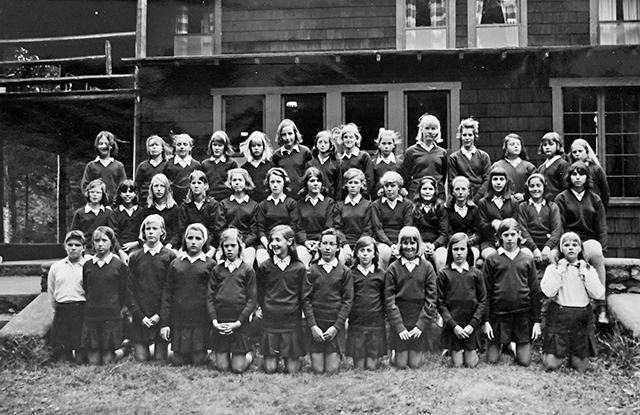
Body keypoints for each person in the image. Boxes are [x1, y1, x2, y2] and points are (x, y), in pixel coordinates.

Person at [540, 232, 605, 372]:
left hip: (581, 317)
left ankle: (574, 354)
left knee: (581, 366)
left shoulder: (587, 269)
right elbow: (548, 292)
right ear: (561, 249)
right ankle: (558, 353)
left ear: (580, 248)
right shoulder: (554, 268)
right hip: (560, 315)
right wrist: (560, 271)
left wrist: (585, 273)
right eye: (566, 245)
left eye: (574, 245)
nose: (571, 248)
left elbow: (599, 293)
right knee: (550, 364)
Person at [554, 161, 609, 324]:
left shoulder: (595, 199)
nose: (578, 178)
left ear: (587, 177)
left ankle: (602, 308)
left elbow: (601, 226)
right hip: (570, 239)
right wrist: (564, 245)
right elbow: (560, 225)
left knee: (596, 253)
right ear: (569, 177)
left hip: (587, 239)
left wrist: (602, 248)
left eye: (581, 174)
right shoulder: (562, 198)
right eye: (574, 174)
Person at [483, 218, 541, 367]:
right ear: (499, 236)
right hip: (499, 314)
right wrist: (487, 321)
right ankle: (503, 343)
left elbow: (535, 291)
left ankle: (513, 344)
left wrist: (536, 321)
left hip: (522, 314)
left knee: (524, 361)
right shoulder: (492, 259)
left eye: (513, 234)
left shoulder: (527, 259)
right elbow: (486, 292)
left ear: (519, 235)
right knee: (491, 360)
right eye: (505, 235)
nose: (509, 238)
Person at [160, 223, 216, 366]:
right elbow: (167, 293)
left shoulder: (210, 265)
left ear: (204, 241)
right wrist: (165, 323)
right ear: (185, 240)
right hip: (180, 318)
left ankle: (206, 351)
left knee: (198, 361)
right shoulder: (176, 263)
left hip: (200, 319)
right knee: (178, 361)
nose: (193, 241)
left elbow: (213, 294)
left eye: (198, 238)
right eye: (190, 238)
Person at [256, 225, 307, 374]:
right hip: (271, 320)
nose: (273, 243)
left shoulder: (299, 268)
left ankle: (294, 358)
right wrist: (261, 307)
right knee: (270, 369)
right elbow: (260, 291)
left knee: (291, 370)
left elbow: (302, 294)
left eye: (278, 240)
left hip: (291, 321)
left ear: (290, 242)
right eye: (271, 240)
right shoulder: (265, 266)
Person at [384, 226, 437, 369]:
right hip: (401, 317)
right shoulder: (393, 268)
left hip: (418, 318)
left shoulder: (427, 267)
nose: (409, 247)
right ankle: (396, 353)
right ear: (400, 245)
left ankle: (417, 352)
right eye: (405, 243)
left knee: (414, 364)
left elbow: (432, 299)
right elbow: (389, 300)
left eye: (412, 243)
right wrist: (399, 327)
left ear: (418, 245)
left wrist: (420, 326)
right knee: (401, 364)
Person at [303, 228, 354, 374]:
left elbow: (348, 301)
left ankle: (337, 354)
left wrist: (336, 327)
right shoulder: (311, 270)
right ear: (318, 246)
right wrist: (313, 326)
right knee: (318, 370)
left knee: (331, 370)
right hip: (316, 325)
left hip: (334, 325)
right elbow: (306, 299)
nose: (327, 247)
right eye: (324, 243)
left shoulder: (345, 271)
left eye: (332, 244)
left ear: (338, 247)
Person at [126, 214, 176, 362]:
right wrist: (141, 316)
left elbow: (171, 290)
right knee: (142, 358)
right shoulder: (135, 257)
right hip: (141, 316)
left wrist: (160, 316)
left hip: (160, 316)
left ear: (162, 232)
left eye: (155, 228)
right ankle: (128, 346)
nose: (151, 232)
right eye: (148, 228)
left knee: (160, 359)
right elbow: (130, 289)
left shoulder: (170, 257)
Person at [207, 228, 257, 373]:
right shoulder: (217, 270)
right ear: (221, 248)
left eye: (233, 245)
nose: (229, 249)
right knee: (222, 367)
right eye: (226, 246)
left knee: (238, 368)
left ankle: (250, 353)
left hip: (239, 323)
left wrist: (238, 322)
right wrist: (215, 322)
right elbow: (210, 297)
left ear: (240, 247)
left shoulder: (247, 270)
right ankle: (223, 353)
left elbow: (252, 299)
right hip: (221, 323)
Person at [81, 226, 130, 365]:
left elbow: (122, 292)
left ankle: (124, 350)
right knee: (93, 361)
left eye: (104, 240)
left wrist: (115, 307)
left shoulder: (119, 265)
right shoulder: (88, 265)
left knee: (108, 360)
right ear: (92, 243)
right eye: (97, 240)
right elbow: (87, 287)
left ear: (111, 243)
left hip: (111, 315)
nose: (100, 244)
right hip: (92, 315)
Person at [437, 233, 486, 368]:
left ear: (468, 251)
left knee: (471, 364)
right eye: (455, 249)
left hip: (470, 324)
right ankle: (451, 350)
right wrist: (454, 326)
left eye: (462, 249)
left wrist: (472, 325)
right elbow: (440, 303)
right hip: (454, 326)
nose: (459, 253)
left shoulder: (476, 273)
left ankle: (472, 349)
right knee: (458, 364)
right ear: (450, 251)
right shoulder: (444, 274)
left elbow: (482, 301)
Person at [346, 236, 387, 370]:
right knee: (359, 366)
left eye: (369, 250)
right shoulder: (350, 274)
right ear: (356, 253)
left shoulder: (381, 274)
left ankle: (376, 357)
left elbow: (384, 298)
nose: (365, 253)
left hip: (375, 323)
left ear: (374, 253)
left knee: (371, 366)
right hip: (357, 323)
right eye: (361, 250)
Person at [48, 230, 88, 363]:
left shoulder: (88, 266)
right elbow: (52, 292)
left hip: (81, 309)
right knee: (63, 357)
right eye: (70, 245)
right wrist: (55, 309)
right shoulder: (56, 267)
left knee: (81, 357)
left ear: (84, 248)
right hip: (62, 310)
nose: (73, 248)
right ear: (65, 246)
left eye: (77, 245)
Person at [214, 168, 258, 267]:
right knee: (221, 263)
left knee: (247, 263)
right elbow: (219, 229)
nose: (237, 183)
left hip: (246, 244)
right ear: (230, 183)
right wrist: (229, 241)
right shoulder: (224, 204)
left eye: (240, 180)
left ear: (246, 182)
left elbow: (254, 232)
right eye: (234, 180)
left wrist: (243, 244)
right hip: (228, 243)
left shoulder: (253, 205)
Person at [254, 167, 299, 266]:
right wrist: (267, 244)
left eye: (278, 181)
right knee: (262, 260)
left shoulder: (291, 203)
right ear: (268, 184)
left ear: (284, 183)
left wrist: (282, 243)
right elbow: (260, 228)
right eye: (272, 182)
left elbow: (293, 226)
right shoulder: (263, 205)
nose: (275, 185)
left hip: (286, 242)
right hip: (267, 242)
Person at [296, 167, 338, 267]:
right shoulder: (300, 203)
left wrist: (319, 243)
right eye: (312, 181)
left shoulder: (329, 202)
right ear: (306, 183)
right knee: (302, 260)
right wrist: (305, 242)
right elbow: (298, 227)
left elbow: (329, 226)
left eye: (318, 181)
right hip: (305, 243)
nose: (315, 184)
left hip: (323, 242)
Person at [477, 167, 521, 260]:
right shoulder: (483, 202)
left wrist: (502, 226)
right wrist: (492, 224)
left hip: (509, 240)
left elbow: (516, 224)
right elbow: (481, 227)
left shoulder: (513, 202)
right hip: (489, 242)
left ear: (506, 181)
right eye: (495, 179)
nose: (498, 182)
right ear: (490, 182)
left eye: (501, 179)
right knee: (493, 258)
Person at [371, 171, 413, 270]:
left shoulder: (407, 204)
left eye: (393, 186)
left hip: (402, 239)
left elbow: (407, 226)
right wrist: (390, 244)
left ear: (399, 187)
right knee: (384, 252)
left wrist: (399, 244)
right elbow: (378, 228)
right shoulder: (376, 205)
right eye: (386, 186)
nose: (389, 189)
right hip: (383, 241)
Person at [517, 173, 562, 265]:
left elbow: (556, 230)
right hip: (529, 243)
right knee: (526, 257)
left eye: (538, 185)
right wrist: (534, 249)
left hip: (548, 243)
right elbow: (523, 229)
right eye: (532, 186)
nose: (535, 189)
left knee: (553, 257)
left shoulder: (552, 206)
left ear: (544, 187)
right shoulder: (523, 206)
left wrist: (548, 247)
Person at [400, 113, 448, 200]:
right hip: (416, 194)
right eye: (427, 128)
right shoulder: (411, 152)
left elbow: (444, 175)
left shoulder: (442, 152)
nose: (430, 131)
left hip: (437, 194)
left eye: (433, 129)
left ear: (438, 131)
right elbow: (406, 176)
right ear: (421, 129)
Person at [447, 117, 491, 203]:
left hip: (481, 199)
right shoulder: (454, 158)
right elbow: (452, 181)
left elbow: (487, 179)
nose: (467, 138)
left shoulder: (483, 156)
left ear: (475, 136)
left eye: (470, 135)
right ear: (460, 136)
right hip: (461, 198)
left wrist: (476, 198)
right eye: (464, 135)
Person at [335, 168, 372, 265]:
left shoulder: (368, 205)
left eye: (356, 183)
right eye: (350, 182)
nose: (353, 186)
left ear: (362, 185)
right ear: (346, 184)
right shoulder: (339, 205)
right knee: (341, 259)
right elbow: (337, 228)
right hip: (344, 244)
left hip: (363, 243)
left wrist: (358, 247)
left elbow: (368, 229)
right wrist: (345, 245)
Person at [177, 170, 219, 257]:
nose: (196, 186)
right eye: (193, 183)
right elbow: (182, 229)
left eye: (199, 183)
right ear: (190, 186)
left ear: (205, 186)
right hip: (190, 243)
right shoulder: (185, 206)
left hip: (208, 244)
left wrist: (206, 243)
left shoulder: (213, 205)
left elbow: (214, 229)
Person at [412, 176, 448, 272]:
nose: (427, 192)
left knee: (442, 259)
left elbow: (444, 233)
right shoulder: (414, 208)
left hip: (436, 244)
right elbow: (412, 230)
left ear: (435, 191)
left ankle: (440, 285)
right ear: (419, 191)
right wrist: (421, 245)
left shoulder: (440, 207)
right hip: (419, 244)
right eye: (424, 189)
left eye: (430, 189)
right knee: (420, 262)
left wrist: (434, 245)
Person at [81, 130, 127, 203]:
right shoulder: (91, 166)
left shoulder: (119, 166)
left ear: (111, 146)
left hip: (114, 207)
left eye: (106, 143)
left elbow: (123, 187)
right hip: (96, 206)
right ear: (97, 146)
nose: (103, 146)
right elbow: (85, 187)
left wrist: (116, 203)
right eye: (101, 143)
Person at [272, 119, 312, 199]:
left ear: (295, 134)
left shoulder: (305, 152)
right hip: (283, 196)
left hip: (301, 195)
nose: (287, 137)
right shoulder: (277, 155)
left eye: (290, 134)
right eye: (284, 134)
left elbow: (310, 174)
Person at [70, 178, 112, 255]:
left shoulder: (108, 213)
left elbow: (112, 235)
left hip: (103, 250)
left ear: (103, 194)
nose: (95, 195)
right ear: (88, 194)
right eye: (92, 192)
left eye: (98, 192)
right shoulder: (80, 213)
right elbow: (74, 235)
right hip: (86, 251)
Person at [491, 133, 536, 202]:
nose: (516, 146)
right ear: (505, 147)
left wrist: (524, 195)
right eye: (512, 144)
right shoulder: (497, 166)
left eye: (518, 144)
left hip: (524, 204)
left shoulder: (529, 167)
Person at [445, 176, 481, 264]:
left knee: (472, 255)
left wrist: (470, 241)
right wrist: (456, 242)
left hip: (471, 244)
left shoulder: (474, 209)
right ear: (452, 192)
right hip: (453, 244)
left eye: (463, 189)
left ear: (468, 192)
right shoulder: (447, 210)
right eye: (457, 189)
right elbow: (447, 231)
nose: (460, 192)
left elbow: (479, 232)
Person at [568, 138, 610, 209]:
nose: (577, 154)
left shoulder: (596, 169)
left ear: (587, 152)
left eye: (580, 151)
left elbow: (605, 192)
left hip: (593, 207)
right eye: (574, 152)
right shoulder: (570, 169)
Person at [143, 173, 180, 250]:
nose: (159, 189)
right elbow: (141, 233)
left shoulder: (174, 209)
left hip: (169, 246)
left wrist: (169, 246)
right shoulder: (147, 209)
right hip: (151, 246)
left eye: (162, 186)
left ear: (167, 188)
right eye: (156, 186)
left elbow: (177, 233)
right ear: (152, 189)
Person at [109, 179, 145, 256]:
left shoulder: (141, 212)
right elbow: (113, 234)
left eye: (130, 192)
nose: (127, 194)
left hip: (137, 246)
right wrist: (119, 250)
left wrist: (136, 243)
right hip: (118, 247)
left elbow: (144, 232)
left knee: (134, 257)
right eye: (124, 192)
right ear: (120, 194)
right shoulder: (115, 213)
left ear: (135, 193)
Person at [164, 133, 202, 205]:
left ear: (190, 147)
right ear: (175, 146)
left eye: (185, 144)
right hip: (172, 201)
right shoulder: (168, 164)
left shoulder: (196, 165)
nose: (182, 147)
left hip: (191, 202)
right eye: (179, 145)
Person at [339, 123, 374, 199]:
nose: (348, 140)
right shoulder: (340, 160)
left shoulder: (364, 156)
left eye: (351, 137)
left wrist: (363, 196)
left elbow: (369, 179)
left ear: (356, 139)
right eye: (345, 137)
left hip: (361, 199)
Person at [201, 130, 238, 201]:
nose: (217, 148)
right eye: (214, 145)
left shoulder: (231, 164)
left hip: (226, 199)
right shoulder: (205, 164)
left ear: (225, 146)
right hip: (209, 199)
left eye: (220, 145)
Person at [305, 130, 342, 201]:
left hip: (331, 200)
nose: (322, 145)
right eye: (320, 142)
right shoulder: (310, 164)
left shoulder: (335, 164)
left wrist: (337, 203)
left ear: (330, 145)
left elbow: (338, 187)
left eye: (325, 142)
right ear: (316, 144)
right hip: (313, 200)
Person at [239, 131, 275, 203]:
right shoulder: (245, 168)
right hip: (250, 203)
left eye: (259, 145)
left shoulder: (271, 166)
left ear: (264, 147)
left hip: (267, 202)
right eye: (253, 146)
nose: (256, 148)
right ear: (249, 148)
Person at [135, 135, 172, 202]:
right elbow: (137, 185)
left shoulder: (168, 165)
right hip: (145, 200)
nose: (154, 147)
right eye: (151, 145)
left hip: (163, 200)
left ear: (162, 148)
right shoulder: (143, 166)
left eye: (156, 145)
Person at [536, 132, 569, 201]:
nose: (547, 147)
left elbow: (566, 187)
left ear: (558, 145)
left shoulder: (562, 164)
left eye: (551, 144)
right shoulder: (541, 167)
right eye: (545, 145)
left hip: (557, 203)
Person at [372, 128, 401, 200]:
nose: (386, 146)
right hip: (377, 200)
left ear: (394, 145)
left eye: (389, 143)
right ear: (379, 145)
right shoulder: (373, 164)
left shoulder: (399, 164)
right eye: (384, 143)